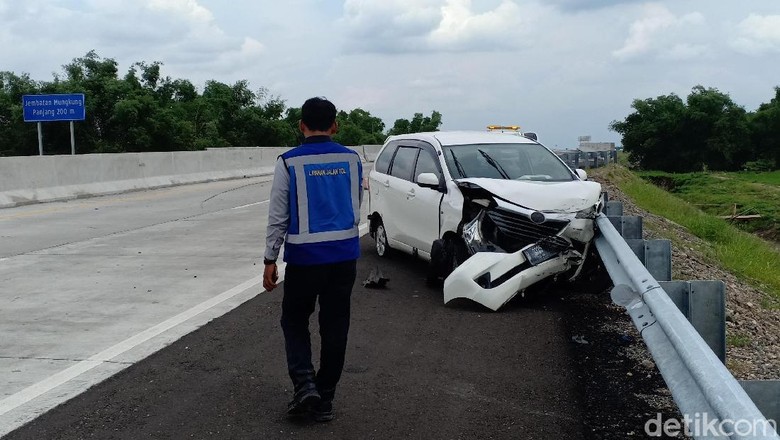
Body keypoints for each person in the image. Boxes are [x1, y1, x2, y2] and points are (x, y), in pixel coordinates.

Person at [263, 97, 363, 423]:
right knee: (335, 327)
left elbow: (278, 216)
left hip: (305, 260)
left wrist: (270, 259)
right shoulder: (352, 159)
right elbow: (354, 205)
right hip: (344, 257)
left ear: (301, 125)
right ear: (335, 125)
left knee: (294, 320)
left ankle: (305, 384)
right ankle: (325, 399)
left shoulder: (288, 162)